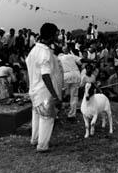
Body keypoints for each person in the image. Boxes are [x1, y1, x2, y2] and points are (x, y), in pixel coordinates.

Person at [26, 23, 63, 153]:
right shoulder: (45, 53)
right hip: (44, 91)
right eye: (56, 33)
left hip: (34, 90)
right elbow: (45, 75)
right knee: (46, 118)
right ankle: (42, 145)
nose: (58, 36)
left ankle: (34, 139)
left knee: (36, 115)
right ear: (51, 35)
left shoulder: (33, 50)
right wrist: (54, 95)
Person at [59, 47, 82, 121]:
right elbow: (80, 62)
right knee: (74, 96)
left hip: (66, 75)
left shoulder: (58, 57)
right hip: (76, 75)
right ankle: (72, 115)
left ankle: (56, 114)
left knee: (61, 94)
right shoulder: (72, 56)